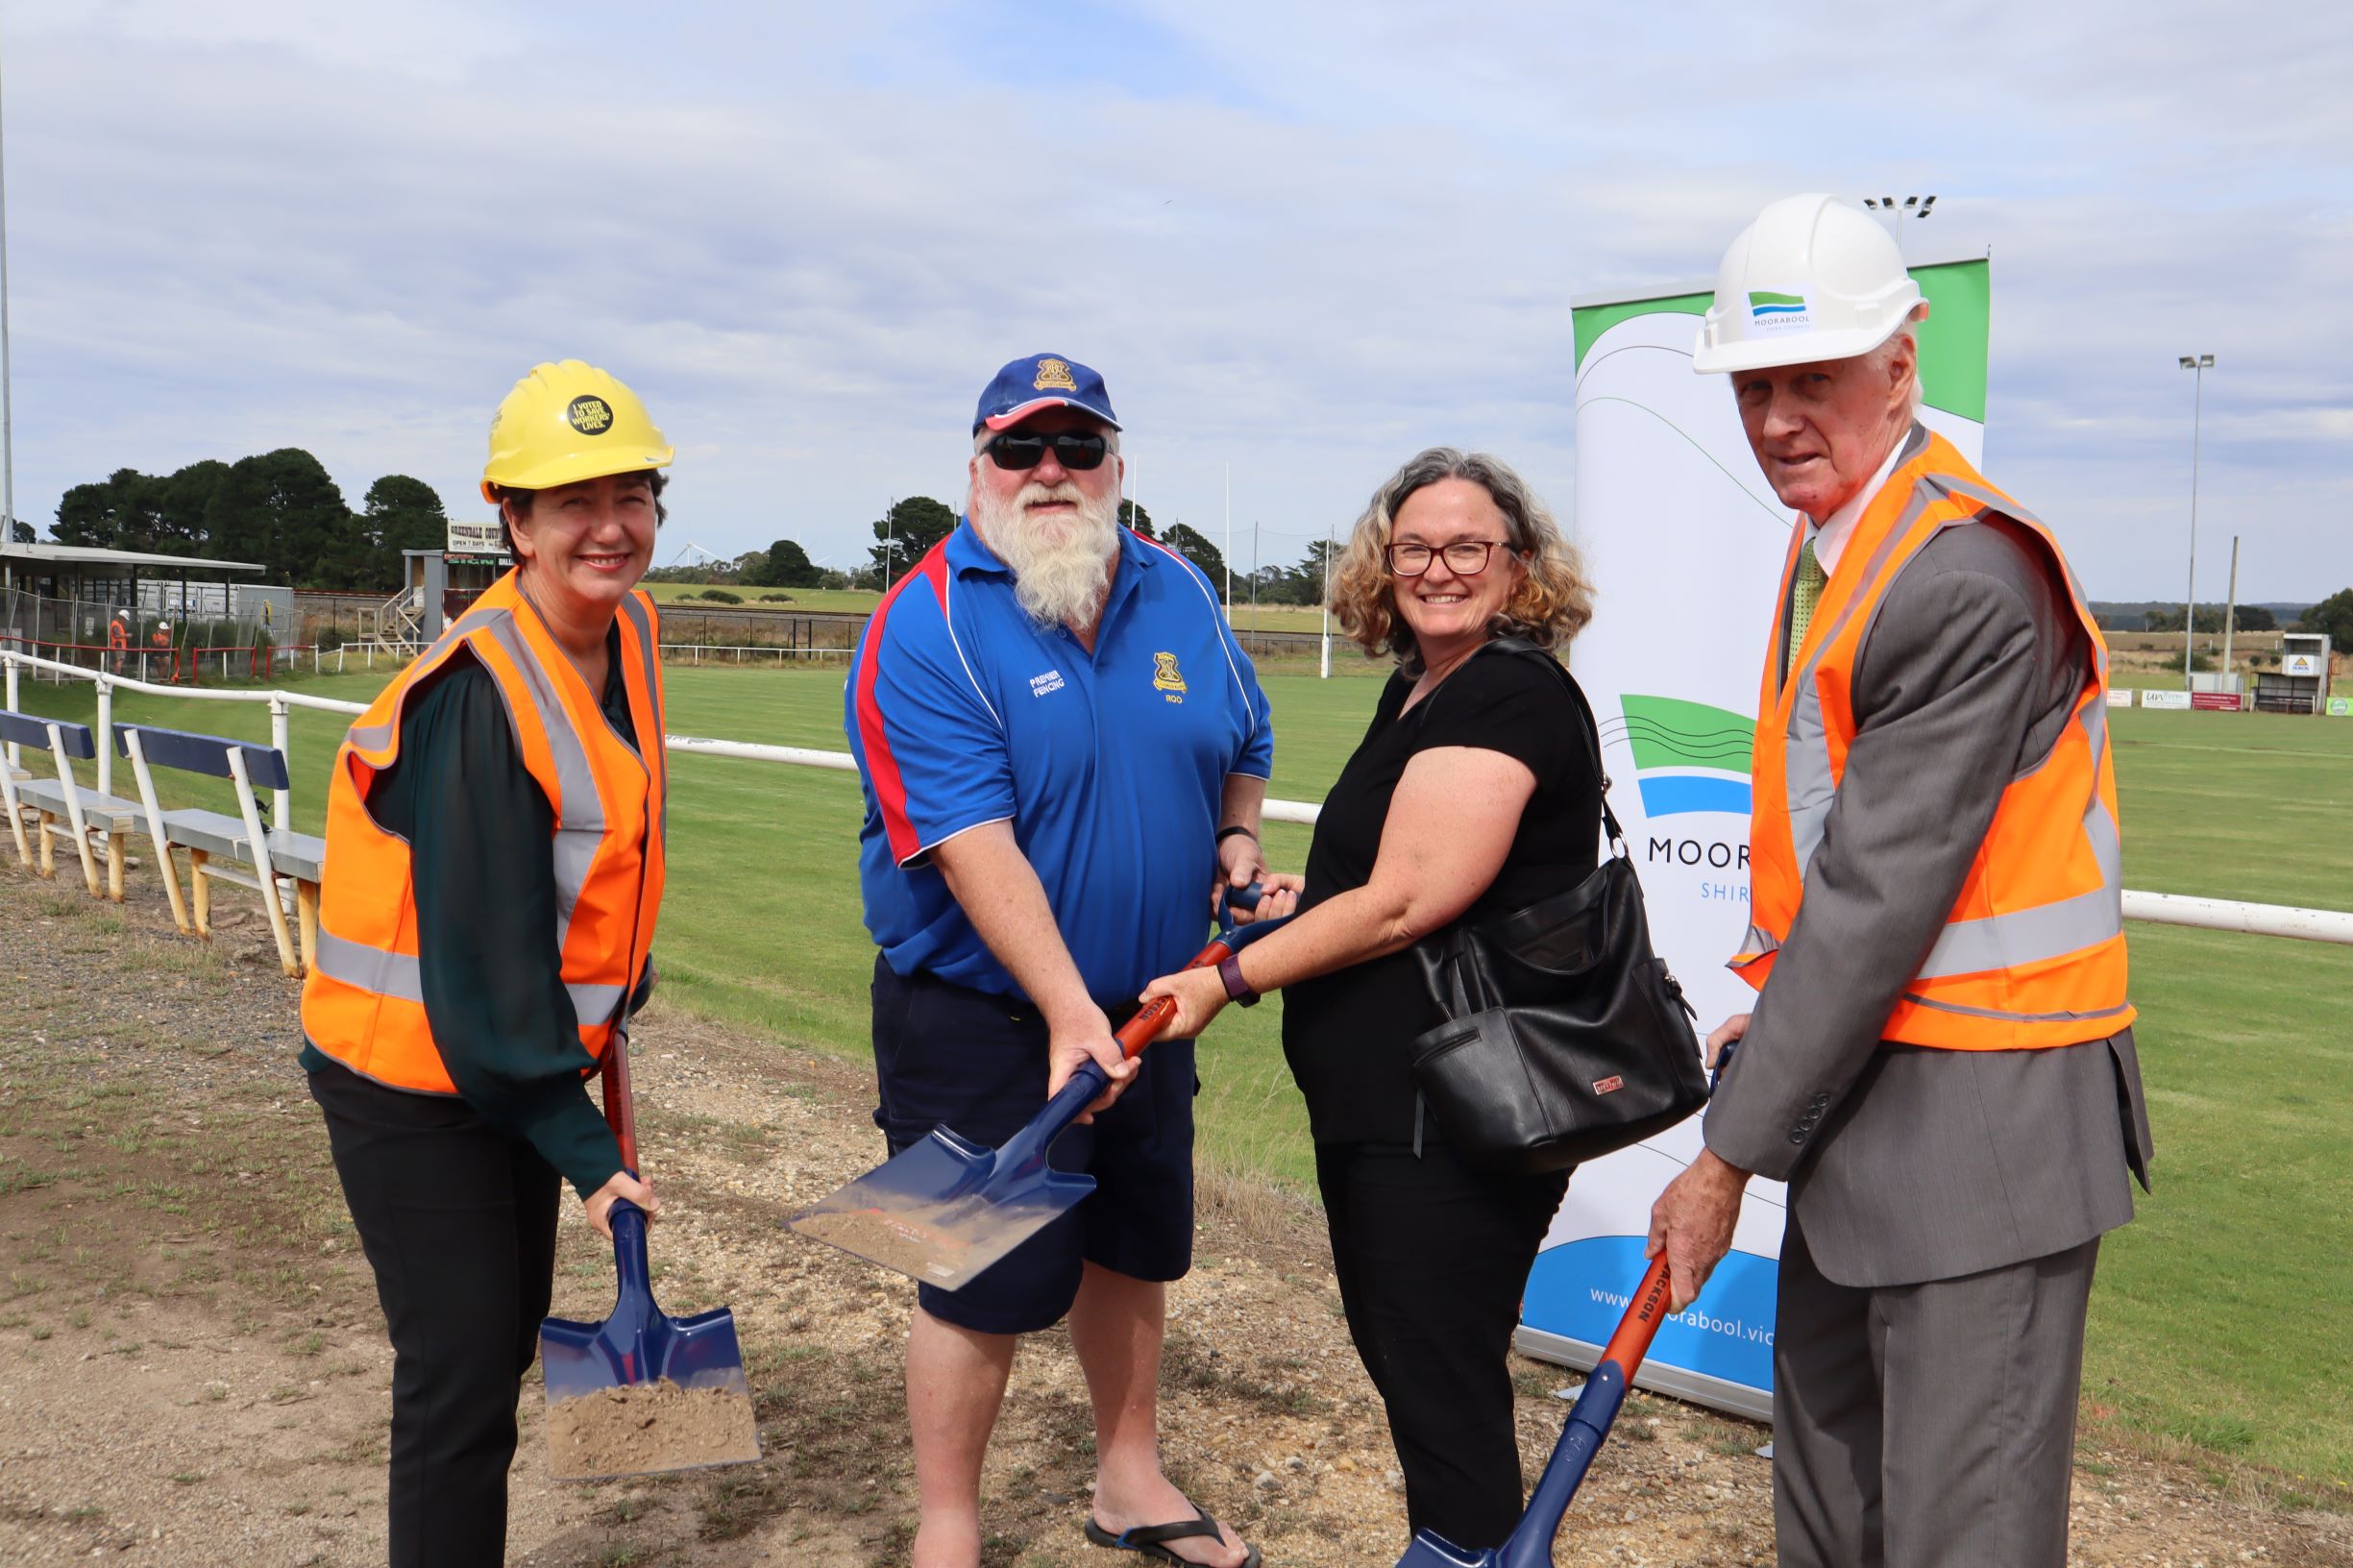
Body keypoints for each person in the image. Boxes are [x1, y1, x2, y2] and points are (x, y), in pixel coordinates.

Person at [1646, 194, 2154, 1568]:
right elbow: (1837, 869)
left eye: (1813, 381)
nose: (1776, 421)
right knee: (1832, 1515)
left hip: (1984, 1136)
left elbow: (1878, 902)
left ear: (1901, 363)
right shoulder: (1840, 553)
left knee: (1957, 1537)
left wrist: (1724, 1156)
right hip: (1869, 1113)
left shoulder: (1959, 572)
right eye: (1756, 388)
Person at [845, 353, 1280, 1568]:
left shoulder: (1178, 588)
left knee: (1131, 1247)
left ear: (1117, 469)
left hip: (1151, 1004)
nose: (1050, 473)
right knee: (971, 1274)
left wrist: (1237, 835)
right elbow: (968, 839)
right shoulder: (925, 618)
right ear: (975, 471)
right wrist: (1058, 1006)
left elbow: (1245, 732)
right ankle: (948, 1527)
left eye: (1077, 449)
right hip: (980, 1013)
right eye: (1020, 449)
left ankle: (1128, 1482)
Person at [1140, 448, 1597, 1553]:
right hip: (1386, 1105)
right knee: (1416, 1366)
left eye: (1467, 547)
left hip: (1451, 1116)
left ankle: (1461, 1548)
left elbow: (1401, 904)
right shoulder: (1421, 685)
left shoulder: (1508, 692)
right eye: (1414, 549)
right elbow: (1391, 882)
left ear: (1519, 564)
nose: (1438, 569)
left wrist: (1228, 973)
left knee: (1440, 1389)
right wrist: (1306, 899)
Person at [299, 359, 675, 1567]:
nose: (607, 527)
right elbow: (478, 976)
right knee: (459, 1378)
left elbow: (595, 847)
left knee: (501, 1342)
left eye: (631, 495)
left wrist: (617, 988)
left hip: (519, 1058)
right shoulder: (476, 696)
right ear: (510, 519)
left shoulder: (632, 630)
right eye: (571, 502)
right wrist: (591, 1160)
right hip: (416, 1076)